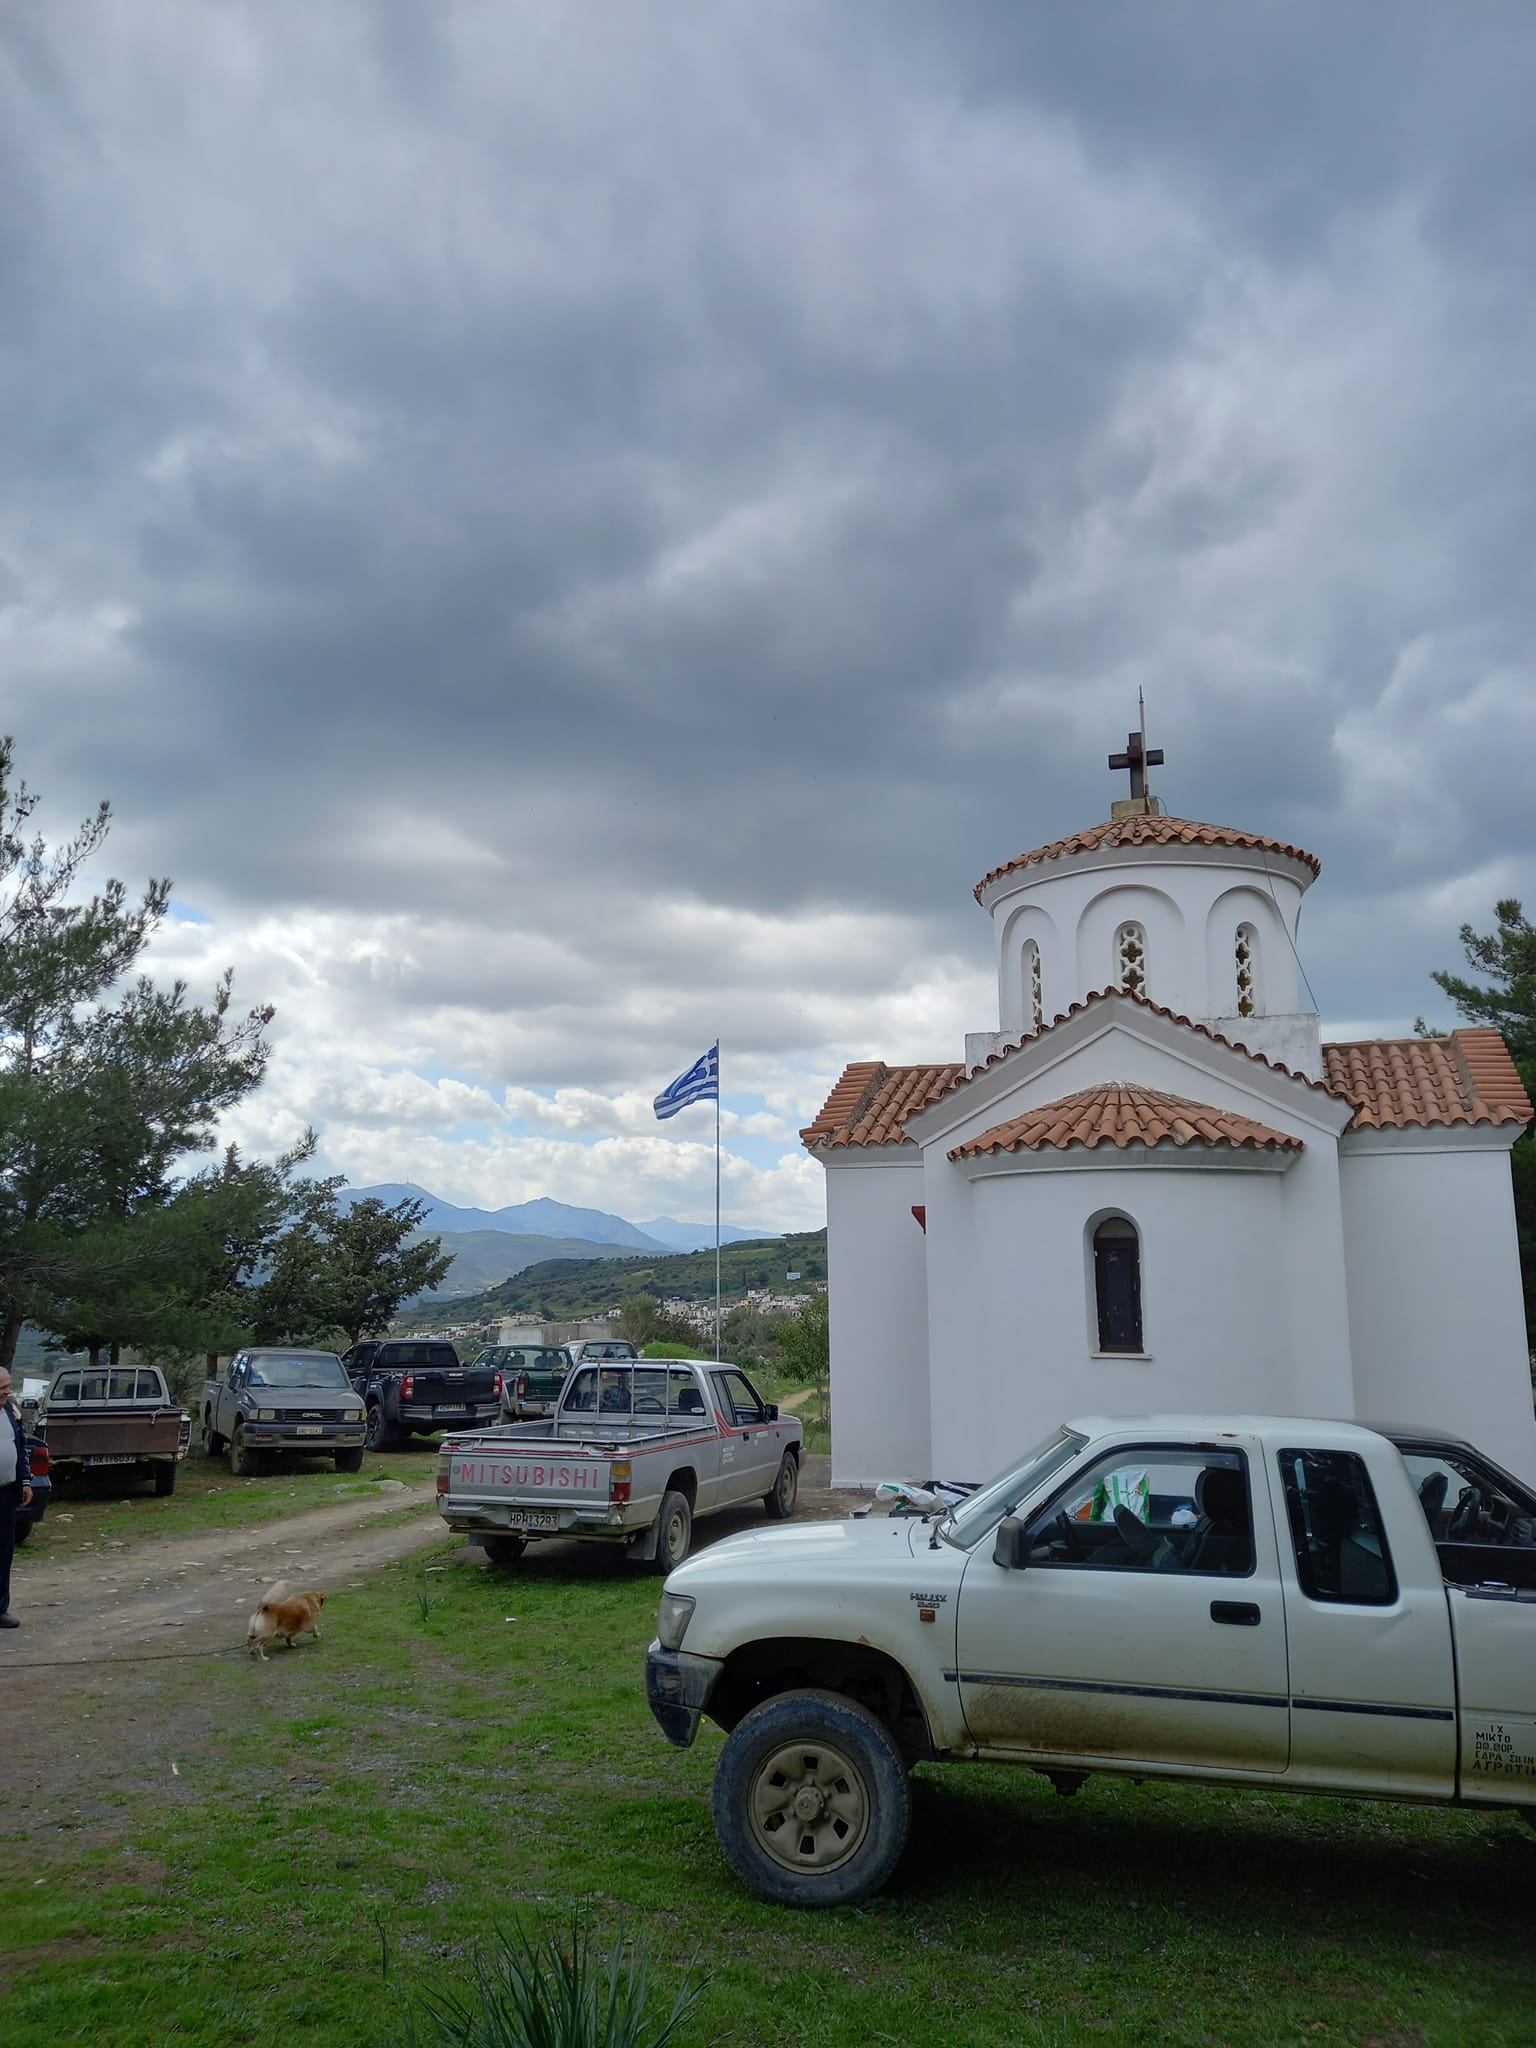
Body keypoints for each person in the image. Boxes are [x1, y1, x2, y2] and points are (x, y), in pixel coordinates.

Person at [0, 1366, 35, 1629]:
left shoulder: (11, 1411)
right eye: (2, 1388)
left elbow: (20, 1446)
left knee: (3, 1552)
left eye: (8, 1386)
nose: (8, 1392)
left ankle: (0, 1609)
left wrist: (25, 1481)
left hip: (6, 1492)